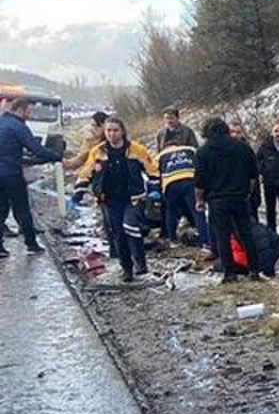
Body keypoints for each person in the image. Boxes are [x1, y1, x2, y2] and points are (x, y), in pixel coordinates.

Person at [73, 118, 159, 280]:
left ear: (123, 132)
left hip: (133, 198)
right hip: (109, 200)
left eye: (115, 130)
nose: (112, 134)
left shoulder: (136, 150)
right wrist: (78, 193)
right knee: (118, 234)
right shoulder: (98, 152)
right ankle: (127, 268)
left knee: (131, 226)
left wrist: (154, 189)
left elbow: (152, 169)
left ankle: (140, 262)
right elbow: (86, 173)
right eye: (109, 131)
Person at [195, 117, 261, 283]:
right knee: (246, 234)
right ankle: (254, 270)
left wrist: (200, 201)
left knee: (222, 236)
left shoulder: (203, 152)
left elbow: (199, 182)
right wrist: (248, 193)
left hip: (217, 200)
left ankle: (229, 272)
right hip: (239, 197)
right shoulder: (242, 148)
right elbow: (253, 175)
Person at [0, 98, 63, 257]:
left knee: (1, 210)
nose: (30, 114)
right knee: (22, 209)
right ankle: (31, 244)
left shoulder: (2, 122)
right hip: (11, 174)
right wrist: (56, 157)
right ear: (21, 109)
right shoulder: (19, 126)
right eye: (29, 111)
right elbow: (35, 148)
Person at [157, 138, 210, 250]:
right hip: (189, 180)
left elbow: (155, 173)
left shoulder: (161, 155)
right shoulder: (188, 150)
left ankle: (172, 240)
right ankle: (205, 241)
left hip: (170, 183)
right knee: (197, 211)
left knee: (170, 211)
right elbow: (199, 164)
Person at [230, 121, 261, 219]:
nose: (235, 135)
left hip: (247, 192)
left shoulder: (248, 150)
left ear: (243, 134)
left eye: (238, 132)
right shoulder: (224, 150)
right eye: (232, 132)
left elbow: (255, 172)